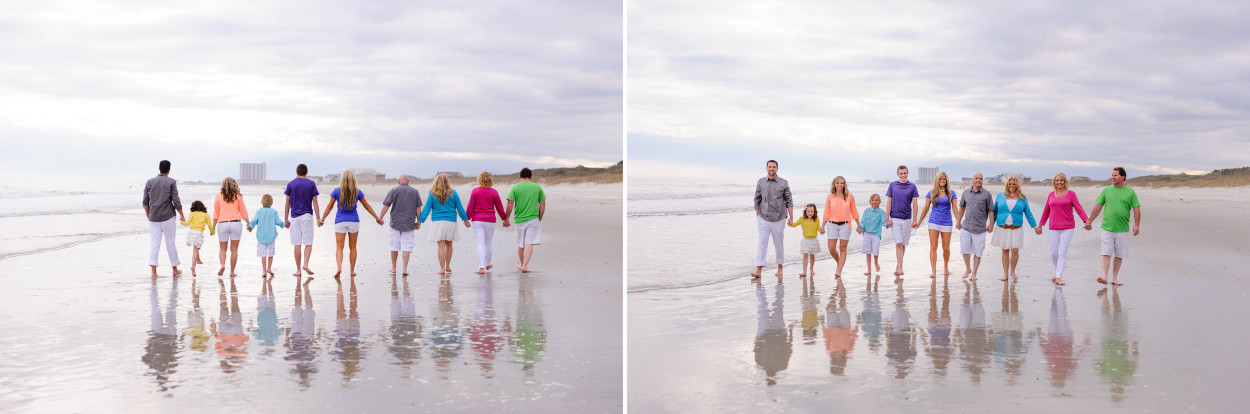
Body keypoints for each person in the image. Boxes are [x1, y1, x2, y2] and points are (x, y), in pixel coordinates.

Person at [1083, 167, 1142, 286]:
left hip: (1122, 229)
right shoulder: (1107, 190)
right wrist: (1089, 221)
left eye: (1115, 175)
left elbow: (1136, 209)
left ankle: (1114, 278)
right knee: (1106, 252)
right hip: (1107, 228)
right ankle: (1104, 276)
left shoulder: (1130, 192)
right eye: (1112, 175)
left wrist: (1136, 225)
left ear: (1123, 177)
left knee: (1119, 255)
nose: (1113, 177)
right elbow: (1098, 207)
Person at [319, 169, 383, 279]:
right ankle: (352, 271)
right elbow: (367, 206)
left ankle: (339, 267)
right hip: (354, 221)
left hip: (340, 221)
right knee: (353, 247)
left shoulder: (336, 191)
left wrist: (322, 219)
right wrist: (377, 218)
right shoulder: (357, 192)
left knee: (339, 247)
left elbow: (329, 207)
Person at [1036, 173, 1089, 286]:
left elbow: (1079, 208)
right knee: (1054, 253)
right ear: (1054, 182)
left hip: (1067, 227)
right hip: (1053, 227)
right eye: (1057, 180)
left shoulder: (1071, 194)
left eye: (1061, 180)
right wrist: (1040, 225)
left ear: (1065, 182)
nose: (1059, 182)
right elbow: (1046, 211)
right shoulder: (1051, 195)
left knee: (1062, 252)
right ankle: (1057, 272)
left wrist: (1086, 221)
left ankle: (1059, 276)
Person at [419, 173, 471, 275]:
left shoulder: (433, 194)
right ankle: (448, 266)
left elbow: (426, 209)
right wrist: (465, 220)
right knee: (449, 244)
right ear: (447, 182)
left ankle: (442, 269)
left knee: (441, 246)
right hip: (451, 222)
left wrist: (420, 221)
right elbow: (459, 208)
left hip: (438, 222)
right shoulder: (453, 193)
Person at [751, 160, 794, 278]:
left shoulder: (783, 183)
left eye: (774, 167)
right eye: (769, 167)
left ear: (777, 169)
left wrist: (791, 216)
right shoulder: (760, 182)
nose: (772, 169)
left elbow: (789, 200)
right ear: (766, 168)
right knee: (762, 243)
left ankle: (780, 268)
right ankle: (758, 270)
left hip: (779, 218)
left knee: (778, 244)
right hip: (763, 218)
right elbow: (756, 198)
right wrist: (757, 212)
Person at [143, 160, 184, 277]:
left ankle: (153, 271)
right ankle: (175, 269)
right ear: (169, 170)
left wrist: (148, 215)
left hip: (153, 218)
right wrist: (181, 215)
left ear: (159, 169)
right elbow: (176, 200)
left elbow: (145, 202)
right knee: (170, 243)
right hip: (168, 217)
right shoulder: (171, 182)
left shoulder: (149, 182)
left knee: (154, 244)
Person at [992, 176, 1037, 281]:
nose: (1011, 185)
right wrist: (990, 224)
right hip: (1002, 227)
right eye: (1010, 184)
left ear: (1017, 185)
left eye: (1014, 184)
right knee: (1005, 250)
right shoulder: (1000, 196)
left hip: (1016, 228)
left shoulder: (1022, 198)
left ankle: (1012, 271)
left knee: (1015, 250)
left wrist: (1034, 226)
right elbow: (995, 211)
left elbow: (1028, 213)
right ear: (1007, 185)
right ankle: (1005, 274)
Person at [916, 171, 959, 279]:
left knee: (946, 247)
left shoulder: (951, 193)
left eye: (944, 179)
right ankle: (933, 271)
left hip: (947, 222)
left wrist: (959, 221)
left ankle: (945, 266)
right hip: (933, 222)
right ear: (937, 180)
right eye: (940, 179)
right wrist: (919, 222)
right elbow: (926, 208)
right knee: (933, 247)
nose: (942, 181)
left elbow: (955, 208)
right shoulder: (931, 193)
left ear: (946, 181)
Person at [504, 167, 548, 273]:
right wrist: (540, 215)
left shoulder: (515, 187)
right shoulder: (537, 187)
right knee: (530, 243)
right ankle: (524, 265)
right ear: (530, 176)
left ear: (520, 176)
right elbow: (542, 203)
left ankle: (521, 263)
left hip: (519, 219)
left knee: (520, 243)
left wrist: (506, 218)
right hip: (533, 218)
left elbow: (510, 203)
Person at [379, 174, 423, 276]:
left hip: (395, 222)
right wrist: (419, 221)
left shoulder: (394, 190)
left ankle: (394, 268)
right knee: (407, 246)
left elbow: (386, 205)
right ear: (408, 182)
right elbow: (418, 208)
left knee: (394, 246)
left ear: (399, 181)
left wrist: (380, 217)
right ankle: (404, 269)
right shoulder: (415, 192)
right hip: (409, 223)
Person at [466, 171, 509, 275]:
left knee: (480, 243)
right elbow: (499, 207)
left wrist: (466, 218)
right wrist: (504, 219)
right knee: (488, 242)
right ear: (490, 180)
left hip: (477, 220)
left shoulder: (475, 191)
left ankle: (481, 268)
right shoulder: (494, 192)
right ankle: (488, 264)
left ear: (479, 180)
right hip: (490, 220)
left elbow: (470, 207)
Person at [955, 173, 995, 281]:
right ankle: (968, 269)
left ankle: (974, 273)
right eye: (976, 178)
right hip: (966, 226)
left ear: (982, 181)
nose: (978, 180)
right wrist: (958, 221)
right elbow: (962, 208)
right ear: (972, 180)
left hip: (980, 229)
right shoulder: (966, 193)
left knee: (978, 252)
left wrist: (991, 224)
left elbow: (991, 210)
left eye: (981, 179)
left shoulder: (987, 194)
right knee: (964, 249)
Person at [284, 164, 322, 277]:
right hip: (307, 216)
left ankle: (298, 270)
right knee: (308, 243)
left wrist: (286, 219)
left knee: (297, 244)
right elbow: (315, 202)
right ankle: (305, 264)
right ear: (306, 172)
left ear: (297, 171)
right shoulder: (311, 184)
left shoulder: (291, 184)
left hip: (295, 217)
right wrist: (318, 218)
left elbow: (287, 203)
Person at [885, 165, 920, 277]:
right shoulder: (892, 185)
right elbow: (889, 202)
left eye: (905, 173)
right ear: (898, 174)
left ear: (907, 173)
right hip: (895, 219)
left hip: (907, 219)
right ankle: (900, 266)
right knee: (898, 243)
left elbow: (915, 204)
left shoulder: (912, 186)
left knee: (903, 244)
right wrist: (887, 218)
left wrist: (914, 220)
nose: (903, 175)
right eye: (901, 173)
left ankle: (899, 265)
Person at [821, 176, 860, 278]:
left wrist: (858, 224)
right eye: (838, 183)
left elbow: (854, 211)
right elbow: (827, 212)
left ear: (844, 185)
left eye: (842, 183)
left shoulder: (849, 196)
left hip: (845, 225)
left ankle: (839, 270)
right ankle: (840, 263)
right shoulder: (830, 197)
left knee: (843, 248)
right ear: (834, 184)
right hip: (832, 225)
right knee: (831, 248)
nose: (840, 185)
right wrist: (822, 226)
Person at [213, 177, 249, 278]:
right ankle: (232, 272)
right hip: (235, 224)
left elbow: (216, 213)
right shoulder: (238, 196)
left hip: (223, 224)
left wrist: (213, 226)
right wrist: (248, 223)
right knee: (234, 249)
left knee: (222, 248)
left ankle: (222, 265)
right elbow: (243, 212)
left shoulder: (218, 196)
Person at [248, 194, 285, 278]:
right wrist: (284, 224)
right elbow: (278, 221)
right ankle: (269, 268)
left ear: (262, 202)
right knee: (271, 253)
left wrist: (250, 226)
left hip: (261, 236)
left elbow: (254, 220)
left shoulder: (259, 211)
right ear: (271, 202)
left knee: (263, 254)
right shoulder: (273, 211)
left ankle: (264, 271)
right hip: (271, 236)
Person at [180, 200, 215, 277]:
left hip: (191, 232)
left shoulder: (192, 214)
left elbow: (187, 223)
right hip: (199, 233)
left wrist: (182, 221)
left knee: (195, 247)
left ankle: (198, 260)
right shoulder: (206, 215)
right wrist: (212, 232)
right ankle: (193, 266)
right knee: (195, 250)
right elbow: (210, 226)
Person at [789, 203, 823, 278]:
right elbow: (795, 224)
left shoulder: (816, 219)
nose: (810, 213)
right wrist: (790, 224)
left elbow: (818, 228)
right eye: (808, 211)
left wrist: (821, 230)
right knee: (805, 256)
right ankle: (804, 271)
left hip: (814, 240)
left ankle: (811, 269)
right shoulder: (802, 219)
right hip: (805, 240)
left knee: (812, 256)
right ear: (805, 211)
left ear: (814, 212)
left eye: (812, 211)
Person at [857, 194, 887, 276]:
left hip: (876, 234)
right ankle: (869, 269)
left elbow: (885, 222)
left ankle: (876, 263)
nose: (874, 202)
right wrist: (859, 228)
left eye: (876, 200)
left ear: (879, 202)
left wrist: (889, 224)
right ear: (870, 201)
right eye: (873, 200)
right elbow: (862, 221)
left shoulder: (881, 212)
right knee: (868, 251)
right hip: (866, 233)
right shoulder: (867, 211)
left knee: (875, 250)